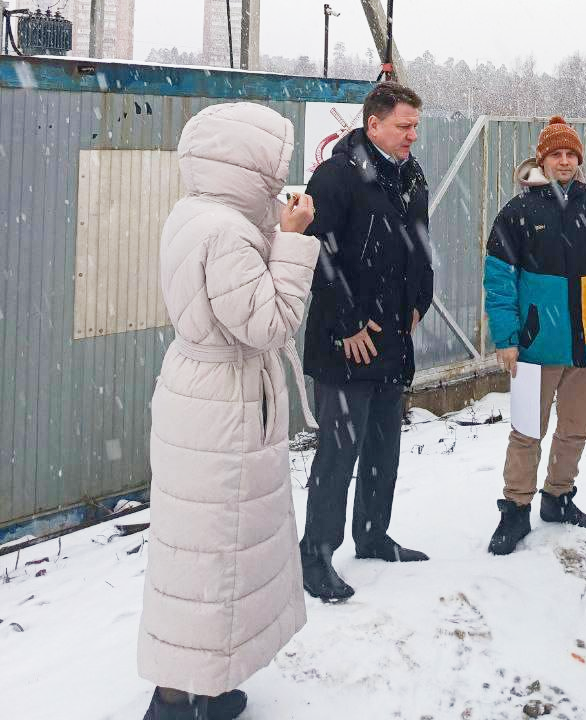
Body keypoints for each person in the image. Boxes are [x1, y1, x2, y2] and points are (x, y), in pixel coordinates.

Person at [138, 102, 320, 720]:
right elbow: (269, 323)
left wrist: (272, 229)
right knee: (214, 555)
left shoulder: (195, 215)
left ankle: (203, 688)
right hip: (223, 404)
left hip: (202, 397)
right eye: (273, 165)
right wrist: (292, 244)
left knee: (201, 553)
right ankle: (175, 701)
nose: (279, 178)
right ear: (244, 163)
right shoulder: (226, 232)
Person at [299, 81, 433, 602]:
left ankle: (373, 534)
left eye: (415, 127)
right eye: (403, 126)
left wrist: (421, 296)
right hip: (346, 342)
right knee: (338, 452)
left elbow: (420, 240)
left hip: (394, 333)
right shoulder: (336, 176)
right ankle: (316, 554)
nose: (411, 136)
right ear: (372, 124)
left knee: (383, 445)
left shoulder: (409, 176)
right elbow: (314, 251)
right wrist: (347, 323)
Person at [484, 116, 586, 555]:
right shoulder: (518, 213)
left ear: (578, 161)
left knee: (575, 428)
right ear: (542, 160)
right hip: (535, 345)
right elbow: (499, 279)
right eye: (556, 154)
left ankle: (558, 496)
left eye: (570, 154)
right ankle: (515, 510)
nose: (564, 161)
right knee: (527, 431)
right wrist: (507, 336)